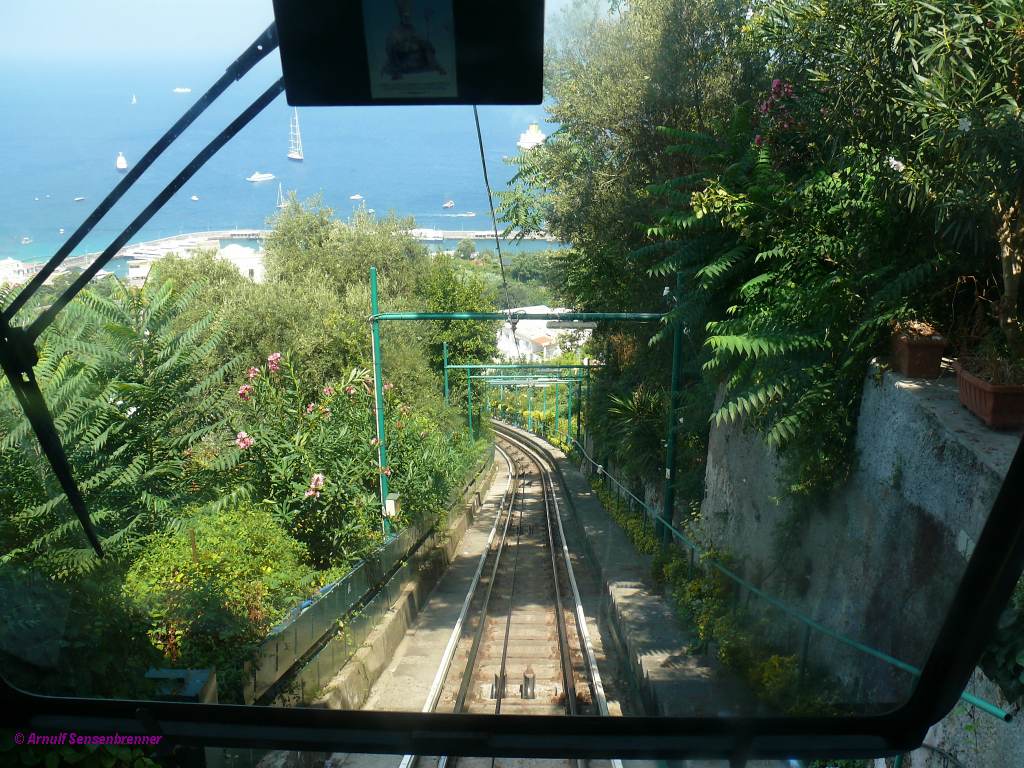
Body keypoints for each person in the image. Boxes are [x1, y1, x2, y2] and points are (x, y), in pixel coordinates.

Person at [381, 0, 447, 80]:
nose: (407, 18)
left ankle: (437, 67)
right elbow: (390, 46)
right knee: (394, 52)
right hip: (402, 59)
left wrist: (422, 43)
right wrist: (402, 44)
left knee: (427, 47)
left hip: (416, 58)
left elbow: (420, 39)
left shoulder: (413, 29)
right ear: (401, 17)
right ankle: (396, 73)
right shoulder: (395, 31)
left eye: (408, 17)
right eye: (405, 16)